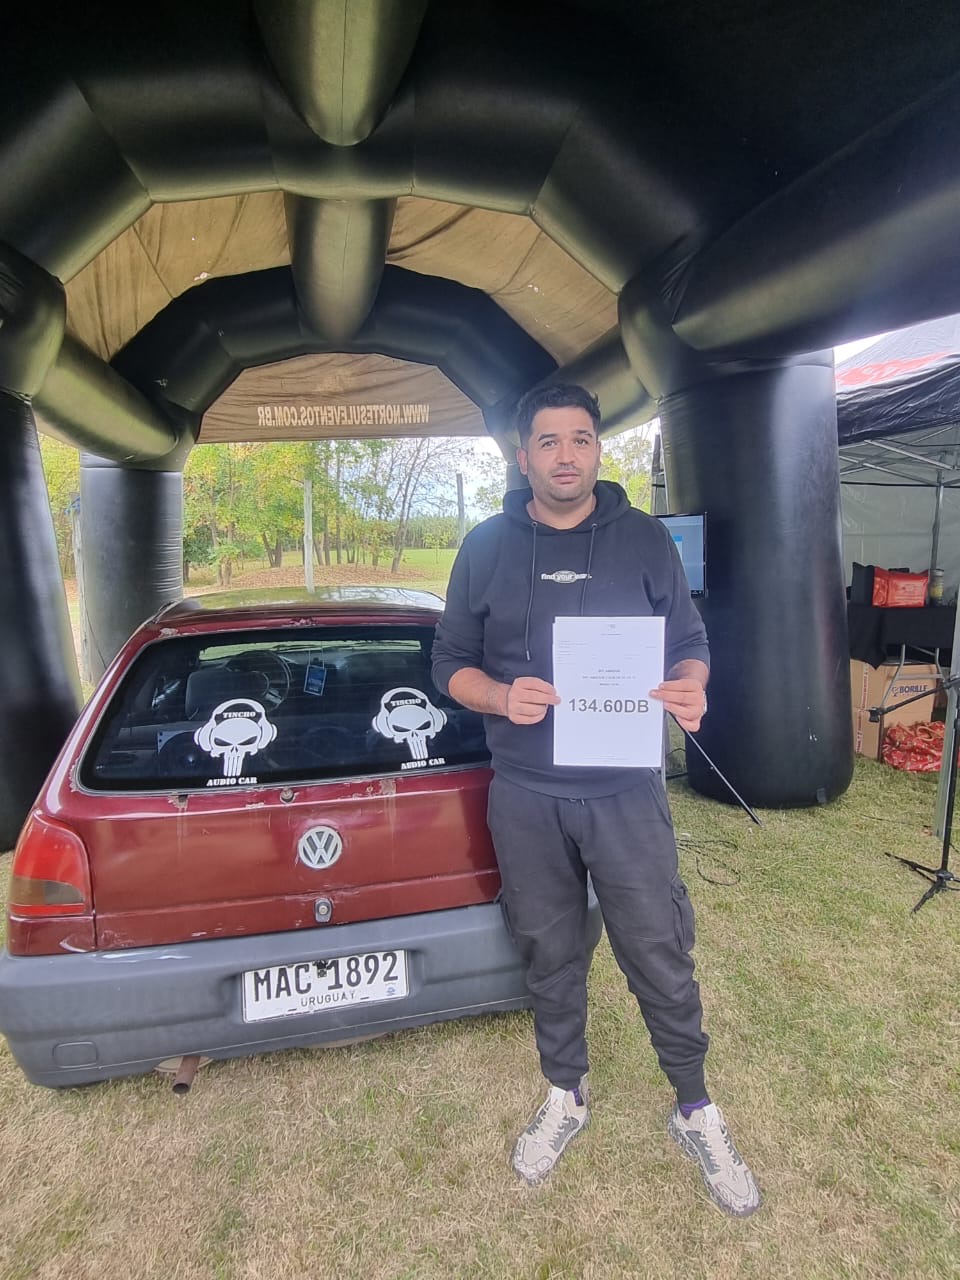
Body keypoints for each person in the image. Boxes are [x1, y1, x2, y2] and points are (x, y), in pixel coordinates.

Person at [431, 383, 760, 1216]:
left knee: (659, 950)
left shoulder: (644, 538)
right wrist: (500, 697)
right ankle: (565, 1092)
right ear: (524, 456)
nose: (566, 455)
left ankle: (695, 1106)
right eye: (549, 442)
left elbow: (689, 641)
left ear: (598, 450)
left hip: (624, 793)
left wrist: (691, 685)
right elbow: (448, 664)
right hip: (526, 794)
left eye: (580, 439)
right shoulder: (485, 547)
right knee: (549, 950)